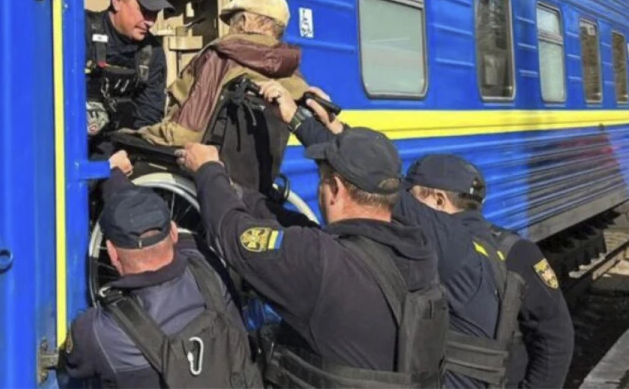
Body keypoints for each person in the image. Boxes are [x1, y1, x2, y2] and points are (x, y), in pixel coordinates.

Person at [258, 81, 513, 389]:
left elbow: (382, 189)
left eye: (412, 194)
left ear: (438, 201)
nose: (393, 203)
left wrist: (297, 120)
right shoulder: (482, 244)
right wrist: (338, 129)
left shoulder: (448, 243)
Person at [177, 128, 449, 388]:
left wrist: (208, 170)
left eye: (322, 181)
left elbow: (231, 233)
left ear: (336, 188)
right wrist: (236, 192)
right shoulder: (418, 252)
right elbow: (307, 232)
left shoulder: (322, 263)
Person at [60, 151, 263, 388]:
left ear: (112, 253)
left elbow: (68, 365)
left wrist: (111, 173)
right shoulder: (208, 266)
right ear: (174, 232)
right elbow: (187, 240)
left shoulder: (97, 332)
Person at [405, 154, 575, 389]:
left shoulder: (511, 252)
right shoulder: (518, 250)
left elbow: (556, 336)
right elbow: (556, 333)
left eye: (412, 197)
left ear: (439, 200)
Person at [123, 0, 310, 148]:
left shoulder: (221, 58)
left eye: (232, 22)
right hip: (252, 173)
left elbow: (185, 134)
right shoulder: (290, 71)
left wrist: (138, 135)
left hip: (202, 164)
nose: (229, 30)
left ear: (244, 21)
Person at [85, 0, 173, 158]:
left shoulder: (152, 52)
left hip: (122, 153)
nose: (150, 22)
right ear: (117, 1)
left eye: (155, 13)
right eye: (145, 11)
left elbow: (148, 119)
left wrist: (123, 158)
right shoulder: (81, 32)